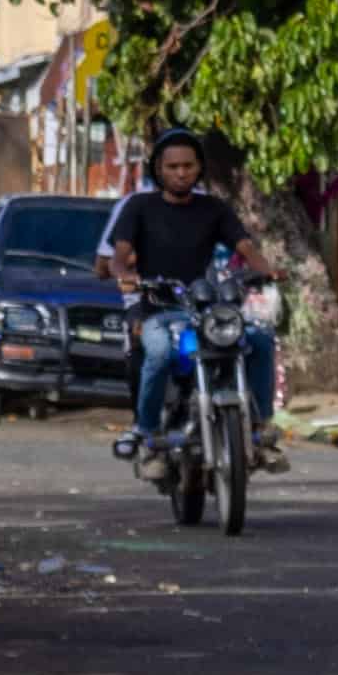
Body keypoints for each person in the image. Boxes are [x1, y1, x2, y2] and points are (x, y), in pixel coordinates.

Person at [101, 129, 269, 442]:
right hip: (159, 311)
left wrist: (268, 269)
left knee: (259, 339)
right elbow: (118, 256)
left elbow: (245, 248)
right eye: (172, 167)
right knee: (160, 352)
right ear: (159, 170)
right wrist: (125, 274)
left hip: (206, 310)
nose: (181, 173)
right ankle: (145, 429)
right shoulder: (139, 206)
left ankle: (261, 425)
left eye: (188, 166)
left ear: (199, 168)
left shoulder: (215, 209)